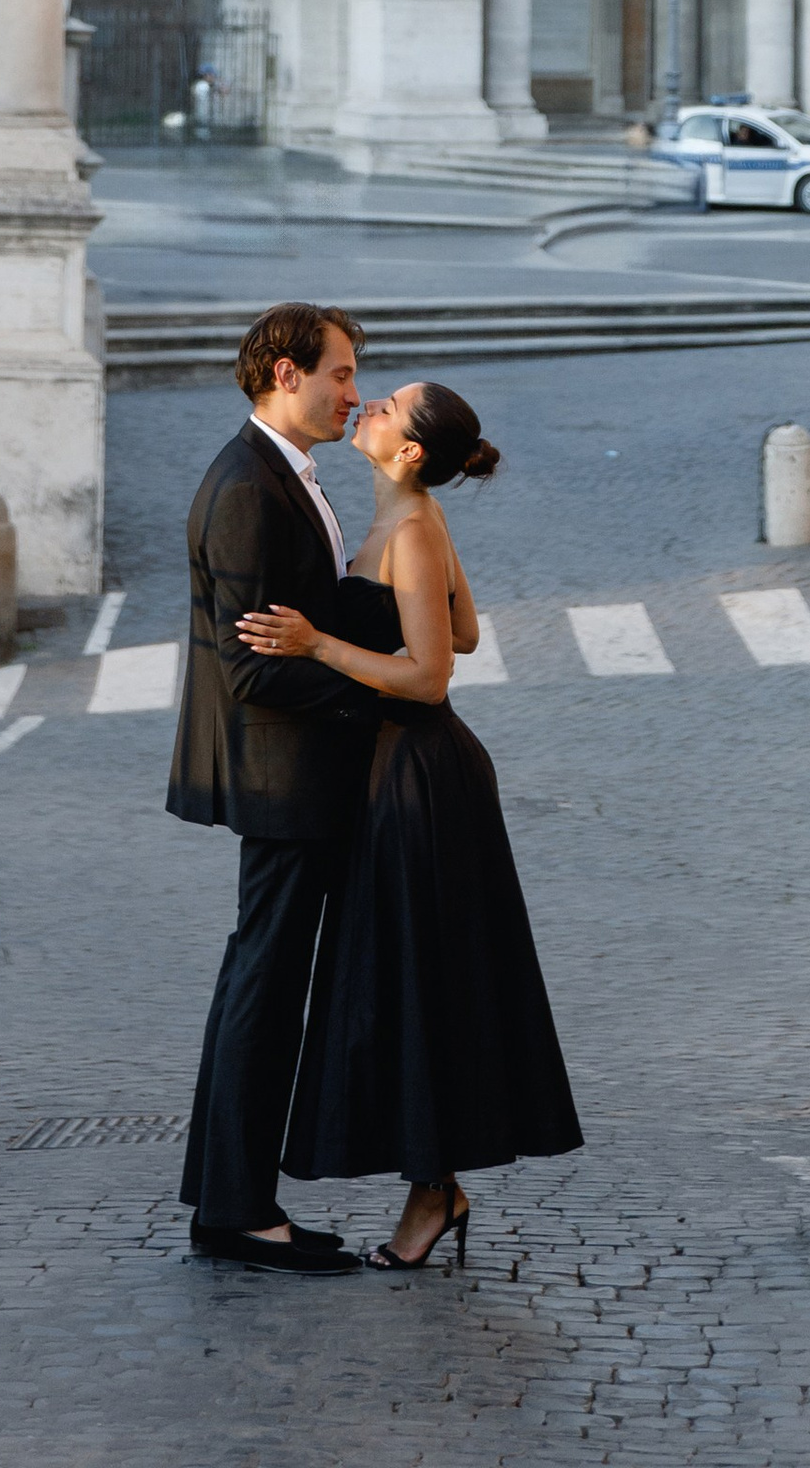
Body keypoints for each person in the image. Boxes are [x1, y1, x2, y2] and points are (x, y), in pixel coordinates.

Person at [237, 378, 581, 1271]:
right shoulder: (408, 518)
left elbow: (432, 675)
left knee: (421, 982)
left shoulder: (415, 528)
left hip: (418, 775)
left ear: (411, 450)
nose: (368, 406)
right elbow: (462, 629)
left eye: (387, 406)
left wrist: (318, 643)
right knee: (410, 980)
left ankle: (434, 1192)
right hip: (400, 771)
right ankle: (437, 1186)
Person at [167, 303, 381, 1275]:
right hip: (283, 778)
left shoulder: (282, 473)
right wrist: (376, 690)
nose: (353, 394)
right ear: (285, 375)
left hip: (293, 775)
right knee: (264, 985)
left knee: (257, 980)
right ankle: (242, 1211)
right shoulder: (249, 487)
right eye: (340, 374)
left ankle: (228, 1199)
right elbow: (252, 668)